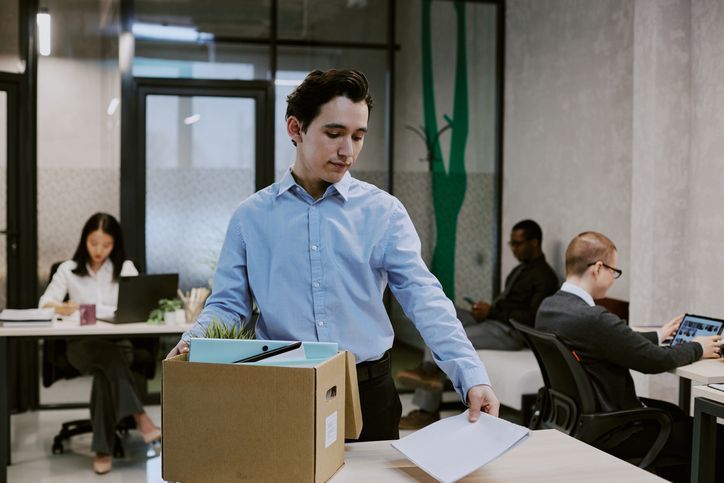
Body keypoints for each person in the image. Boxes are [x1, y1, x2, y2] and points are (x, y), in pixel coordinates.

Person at [166, 69, 499, 441]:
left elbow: (426, 300)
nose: (348, 151)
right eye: (334, 133)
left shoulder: (384, 213)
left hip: (369, 392)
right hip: (283, 389)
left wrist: (471, 376)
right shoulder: (251, 217)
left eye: (358, 136)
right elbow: (229, 305)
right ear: (295, 128)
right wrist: (194, 339)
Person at [536, 231, 722, 481]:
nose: (613, 279)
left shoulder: (549, 307)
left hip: (578, 419)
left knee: (674, 413)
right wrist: (699, 347)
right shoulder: (594, 318)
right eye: (614, 271)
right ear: (598, 268)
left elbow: (610, 342)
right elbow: (656, 361)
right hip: (616, 430)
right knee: (706, 435)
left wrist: (658, 336)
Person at [397, 219, 559, 429]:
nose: (514, 249)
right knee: (441, 317)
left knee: (451, 336)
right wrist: (486, 310)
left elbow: (533, 318)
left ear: (535, 242)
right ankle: (428, 370)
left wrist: (492, 311)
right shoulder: (519, 271)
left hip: (511, 332)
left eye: (518, 244)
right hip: (495, 320)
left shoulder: (545, 277)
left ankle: (427, 404)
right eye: (512, 244)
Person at [39, 213, 161, 475]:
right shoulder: (68, 270)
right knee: (108, 359)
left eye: (106, 245)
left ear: (114, 244)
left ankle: (103, 449)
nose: (99, 250)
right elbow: (44, 305)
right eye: (94, 243)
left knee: (106, 371)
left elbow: (138, 307)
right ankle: (140, 417)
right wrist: (64, 306)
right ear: (85, 240)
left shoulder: (125, 268)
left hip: (118, 344)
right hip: (81, 346)